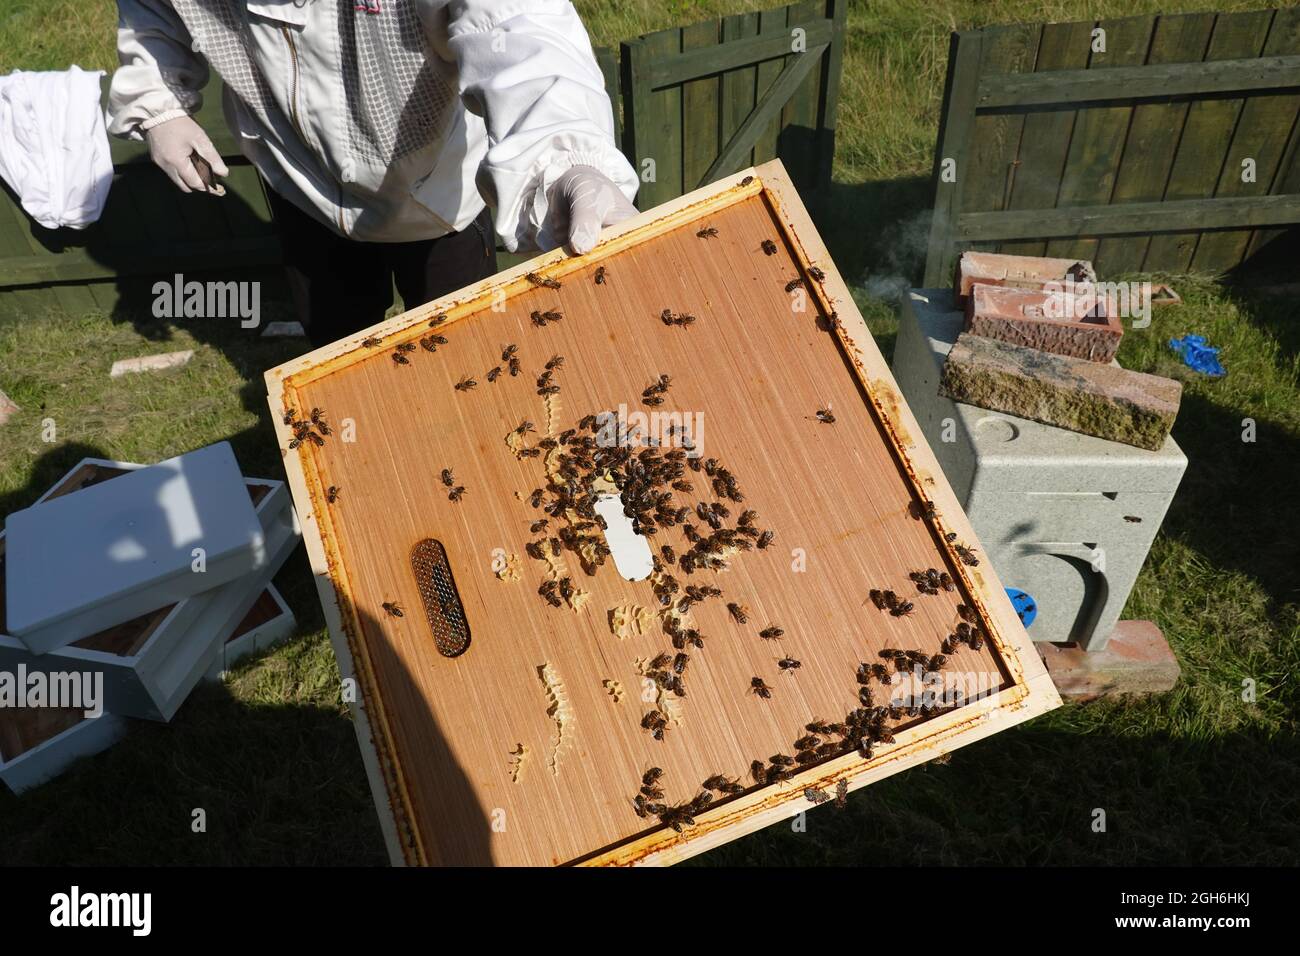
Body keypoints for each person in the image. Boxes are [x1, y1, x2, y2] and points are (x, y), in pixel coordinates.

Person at [108, 0, 639, 346]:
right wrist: (159, 102)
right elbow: (152, 10)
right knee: (339, 353)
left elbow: (516, 25)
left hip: (437, 200)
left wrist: (567, 159)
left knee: (466, 354)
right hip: (302, 191)